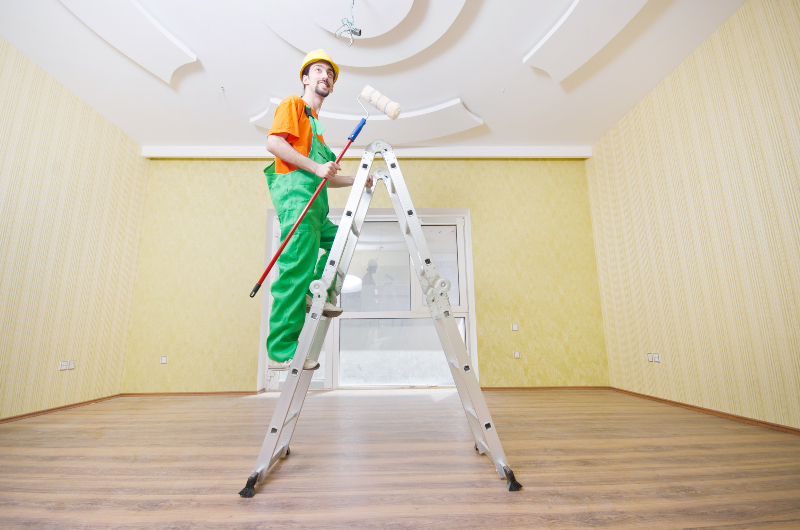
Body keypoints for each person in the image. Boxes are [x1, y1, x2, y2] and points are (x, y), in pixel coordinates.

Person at [264, 49, 373, 371]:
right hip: (297, 203)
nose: (326, 76)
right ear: (305, 78)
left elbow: (325, 177)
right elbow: (274, 143)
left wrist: (356, 180)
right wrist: (315, 167)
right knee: (294, 272)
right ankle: (281, 350)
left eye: (331, 74)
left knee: (345, 240)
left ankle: (316, 289)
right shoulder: (293, 105)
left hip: (316, 210)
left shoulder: (318, 131)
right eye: (320, 71)